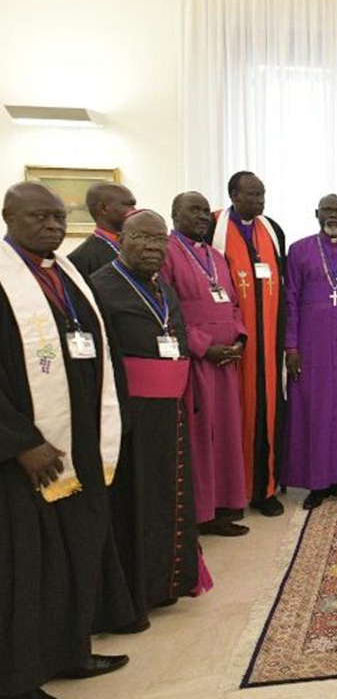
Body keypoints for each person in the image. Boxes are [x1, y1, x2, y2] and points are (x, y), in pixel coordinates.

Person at [0, 182, 131, 699]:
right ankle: (19, 677)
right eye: (40, 217)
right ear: (8, 216)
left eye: (58, 217)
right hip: (25, 454)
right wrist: (21, 442)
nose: (53, 226)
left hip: (79, 441)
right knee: (29, 565)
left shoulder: (67, 275)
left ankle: (71, 650)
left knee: (79, 549)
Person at [91, 210, 205, 631]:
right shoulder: (100, 286)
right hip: (130, 416)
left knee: (167, 500)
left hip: (169, 411)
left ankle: (164, 584)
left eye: (160, 240)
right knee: (134, 505)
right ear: (121, 239)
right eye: (143, 238)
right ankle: (132, 596)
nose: (154, 248)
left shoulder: (162, 287)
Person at [159, 192, 249, 537]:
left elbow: (234, 304)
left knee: (225, 434)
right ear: (174, 214)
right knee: (199, 438)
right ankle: (199, 514)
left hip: (226, 361)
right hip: (195, 361)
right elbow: (166, 311)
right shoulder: (167, 253)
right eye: (193, 210)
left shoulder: (216, 256)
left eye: (204, 211)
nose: (201, 216)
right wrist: (203, 347)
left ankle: (223, 508)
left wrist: (239, 338)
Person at [282, 195, 337, 510]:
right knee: (314, 409)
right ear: (317, 213)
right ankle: (316, 483)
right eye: (327, 210)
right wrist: (291, 346)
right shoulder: (299, 250)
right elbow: (290, 299)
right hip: (312, 344)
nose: (332, 216)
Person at [208, 170, 287, 517]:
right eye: (252, 195)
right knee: (230, 415)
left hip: (267, 340)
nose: (260, 201)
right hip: (229, 342)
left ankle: (263, 489)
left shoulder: (272, 230)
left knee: (265, 411)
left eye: (262, 194)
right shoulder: (213, 227)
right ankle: (228, 494)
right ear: (234, 196)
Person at [67, 181, 137, 278]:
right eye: (129, 205)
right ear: (103, 208)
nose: (135, 211)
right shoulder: (80, 259)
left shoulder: (136, 247)